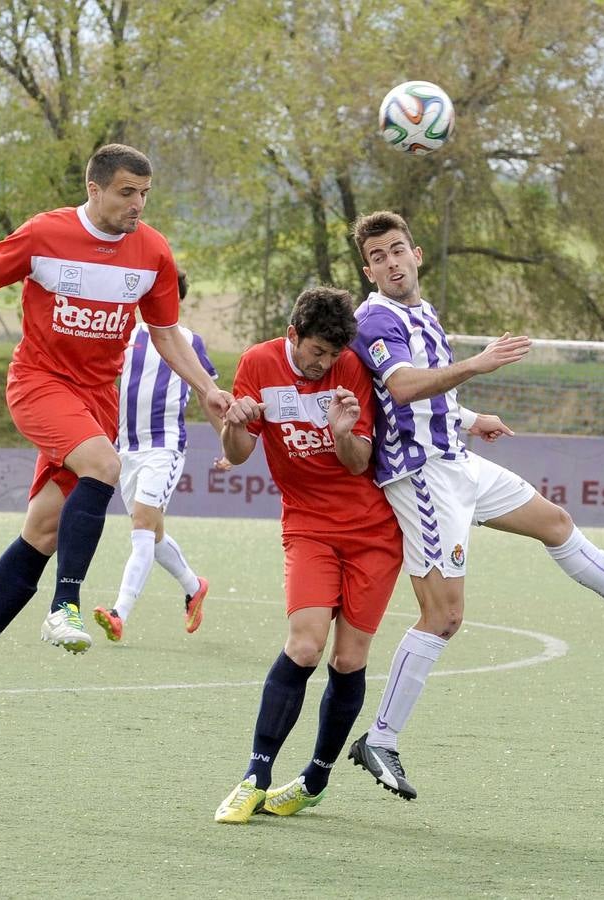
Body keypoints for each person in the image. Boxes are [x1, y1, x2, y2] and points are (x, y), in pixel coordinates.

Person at [345, 210, 604, 800]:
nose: (391, 262)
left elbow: (426, 402)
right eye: (378, 257)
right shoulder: (374, 319)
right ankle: (380, 740)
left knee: (557, 523)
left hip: (457, 461)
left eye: (398, 250)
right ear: (369, 269)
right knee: (443, 617)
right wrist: (476, 364)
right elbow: (403, 388)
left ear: (416, 254)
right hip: (421, 478)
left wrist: (470, 416)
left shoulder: (422, 311)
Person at [0, 143, 230, 720]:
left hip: (95, 401)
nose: (137, 204)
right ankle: (66, 605)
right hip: (38, 384)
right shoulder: (44, 235)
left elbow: (166, 332)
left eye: (145, 193)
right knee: (105, 466)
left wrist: (206, 386)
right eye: (127, 192)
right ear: (95, 188)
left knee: (43, 533)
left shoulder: (152, 251)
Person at [214, 286, 404, 824]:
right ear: (292, 334)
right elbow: (239, 452)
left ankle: (315, 779)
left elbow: (356, 460)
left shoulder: (349, 371)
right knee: (304, 646)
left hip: (373, 532)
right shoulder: (258, 362)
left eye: (333, 354)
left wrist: (343, 432)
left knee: (348, 659)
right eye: (316, 351)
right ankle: (255, 776)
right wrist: (234, 421)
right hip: (307, 527)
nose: (324, 363)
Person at [93, 269, 226, 641]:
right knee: (153, 534)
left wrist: (226, 444)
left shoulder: (188, 342)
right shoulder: (125, 337)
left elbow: (207, 395)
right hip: (127, 451)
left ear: (173, 299)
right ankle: (193, 585)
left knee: (141, 531)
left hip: (163, 448)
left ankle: (119, 612)